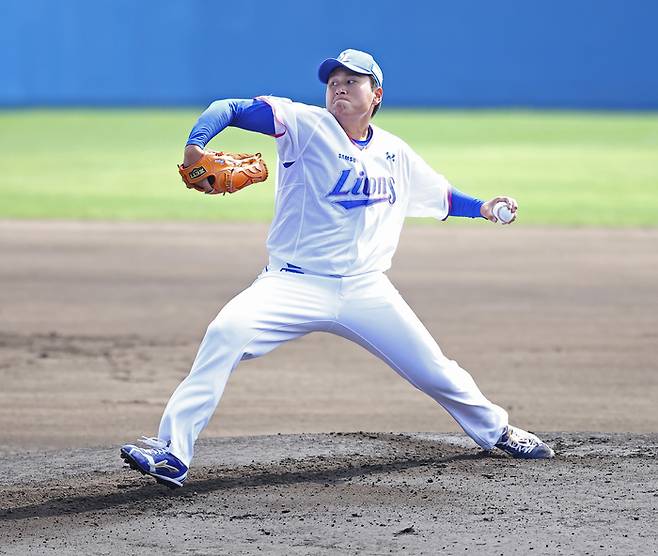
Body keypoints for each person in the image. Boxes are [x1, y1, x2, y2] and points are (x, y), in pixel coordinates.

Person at [121, 49, 554, 488]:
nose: (340, 87)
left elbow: (440, 197)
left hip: (367, 291)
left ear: (376, 94)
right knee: (225, 334)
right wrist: (197, 144)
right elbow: (228, 109)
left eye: (353, 80)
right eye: (334, 81)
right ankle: (174, 452)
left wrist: (482, 206)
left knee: (434, 369)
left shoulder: (394, 153)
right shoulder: (305, 125)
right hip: (292, 284)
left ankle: (498, 430)